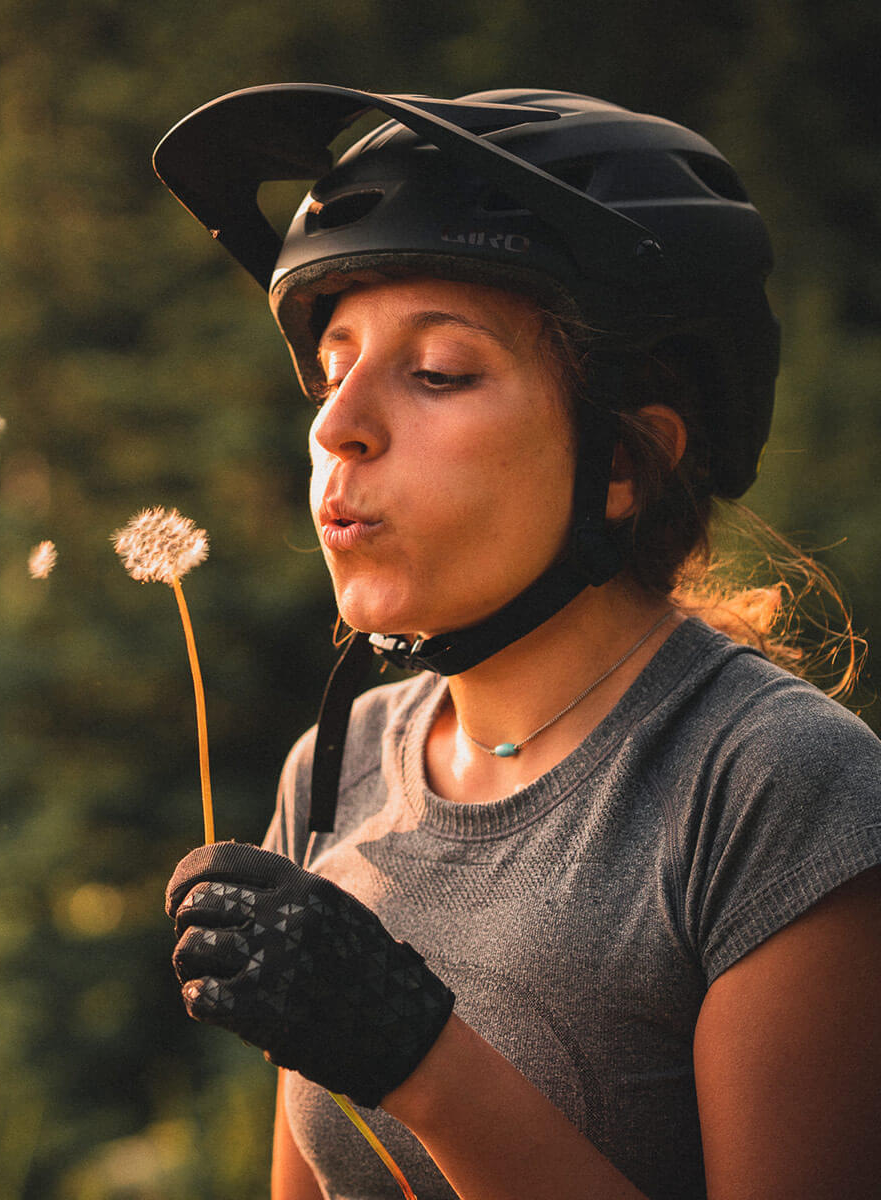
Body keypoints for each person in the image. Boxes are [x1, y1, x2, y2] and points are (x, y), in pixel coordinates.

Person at [150, 85, 881, 1200]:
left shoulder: (775, 788)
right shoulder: (332, 769)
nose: (336, 422)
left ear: (626, 464)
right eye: (334, 360)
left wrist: (422, 1064)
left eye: (437, 371)